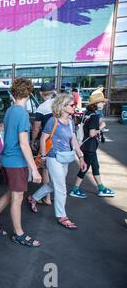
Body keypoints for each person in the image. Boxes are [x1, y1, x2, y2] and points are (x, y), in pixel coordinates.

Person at [0, 78, 42, 247]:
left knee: (12, 193)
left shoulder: (11, 110)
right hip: (16, 161)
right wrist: (34, 168)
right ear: (29, 93)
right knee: (17, 197)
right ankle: (19, 234)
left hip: (7, 159)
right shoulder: (22, 113)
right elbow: (24, 143)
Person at [27, 94, 87, 229]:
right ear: (62, 106)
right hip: (53, 158)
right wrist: (43, 157)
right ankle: (62, 216)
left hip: (65, 157)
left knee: (54, 184)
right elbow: (43, 139)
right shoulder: (52, 121)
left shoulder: (71, 122)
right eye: (72, 105)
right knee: (61, 188)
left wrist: (81, 157)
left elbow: (74, 140)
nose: (74, 107)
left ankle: (33, 198)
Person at [69, 89, 115, 198]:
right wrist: (101, 127)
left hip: (86, 145)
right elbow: (92, 133)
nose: (104, 103)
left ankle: (101, 188)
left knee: (94, 167)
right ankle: (75, 189)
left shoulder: (87, 113)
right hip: (90, 145)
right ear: (96, 104)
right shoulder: (94, 115)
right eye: (101, 101)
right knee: (85, 168)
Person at [31, 82, 56, 206]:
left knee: (45, 169)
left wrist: (33, 140)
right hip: (61, 142)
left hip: (47, 142)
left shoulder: (42, 107)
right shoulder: (60, 104)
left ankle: (47, 198)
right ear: (53, 92)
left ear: (41, 93)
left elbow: (36, 127)